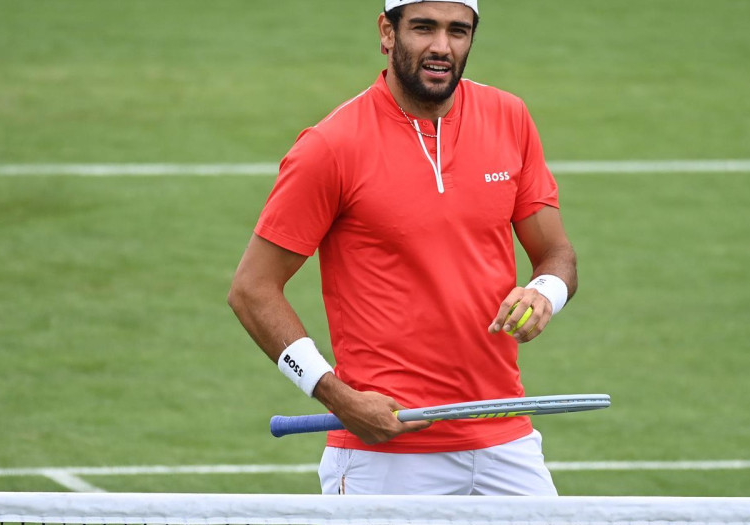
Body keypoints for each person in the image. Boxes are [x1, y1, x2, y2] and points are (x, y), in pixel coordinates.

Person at [228, 0, 577, 496]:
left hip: (505, 439)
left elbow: (558, 254)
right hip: (386, 458)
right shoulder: (330, 146)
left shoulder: (510, 117)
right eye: (423, 28)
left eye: (458, 31)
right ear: (387, 33)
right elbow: (251, 290)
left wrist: (545, 291)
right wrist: (336, 396)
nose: (441, 47)